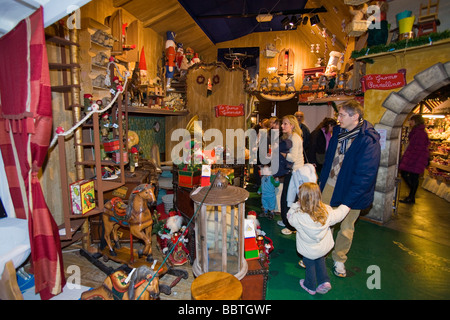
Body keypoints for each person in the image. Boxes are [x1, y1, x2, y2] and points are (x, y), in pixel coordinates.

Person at [319, 100, 381, 278]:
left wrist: (349, 201)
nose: (337, 118)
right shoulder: (338, 132)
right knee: (324, 222)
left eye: (341, 115)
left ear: (355, 116)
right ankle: (320, 254)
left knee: (346, 227)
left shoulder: (368, 140)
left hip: (351, 191)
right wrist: (321, 182)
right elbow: (329, 160)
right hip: (330, 185)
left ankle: (339, 259)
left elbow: (366, 175)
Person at [288, 182, 350, 295]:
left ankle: (309, 286)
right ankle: (324, 281)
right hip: (322, 248)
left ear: (301, 198)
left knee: (310, 265)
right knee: (320, 261)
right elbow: (339, 214)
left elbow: (289, 218)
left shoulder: (298, 216)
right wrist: (346, 206)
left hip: (308, 250)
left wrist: (295, 206)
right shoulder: (327, 211)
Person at [278, 115, 304, 235]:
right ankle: (287, 221)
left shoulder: (295, 138)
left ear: (292, 125)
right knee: (288, 198)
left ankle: (291, 226)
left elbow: (292, 157)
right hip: (292, 172)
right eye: (282, 124)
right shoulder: (291, 136)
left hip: (295, 173)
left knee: (289, 200)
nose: (282, 126)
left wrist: (281, 153)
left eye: (285, 124)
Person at [398, 114, 430, 204]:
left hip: (416, 159)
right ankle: (411, 196)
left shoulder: (420, 133)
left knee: (411, 177)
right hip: (415, 158)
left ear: (416, 121)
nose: (410, 122)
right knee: (411, 177)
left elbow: (417, 149)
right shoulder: (417, 132)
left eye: (411, 120)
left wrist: (409, 160)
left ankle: (411, 196)